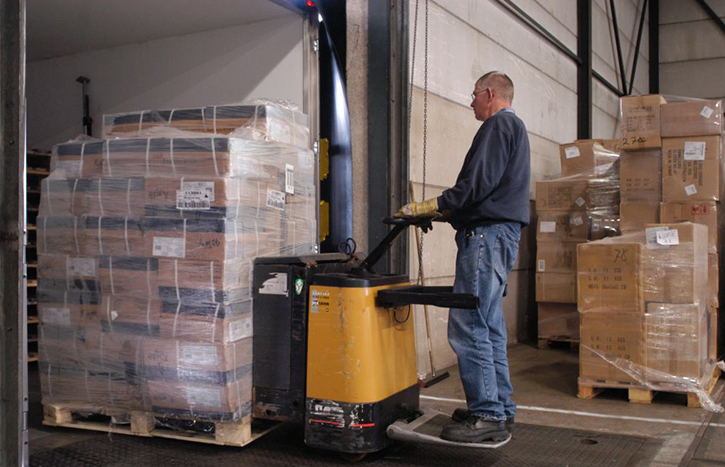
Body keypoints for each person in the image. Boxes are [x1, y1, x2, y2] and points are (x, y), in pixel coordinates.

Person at [395, 71, 530, 443]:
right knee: (488, 325)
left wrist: (433, 204)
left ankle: (486, 414)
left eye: (473, 95)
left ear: (489, 93)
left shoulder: (498, 126)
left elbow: (477, 185)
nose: (471, 101)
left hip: (486, 236)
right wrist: (444, 214)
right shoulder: (513, 127)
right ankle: (499, 409)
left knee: (469, 324)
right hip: (498, 235)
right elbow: (487, 189)